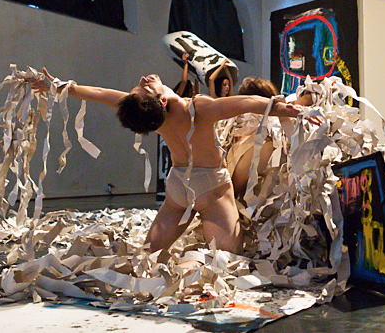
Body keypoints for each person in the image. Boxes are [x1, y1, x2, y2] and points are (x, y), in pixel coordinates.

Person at [31, 68, 317, 256]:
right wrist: (288, 109)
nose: (143, 80)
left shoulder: (153, 115)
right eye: (143, 88)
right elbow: (248, 102)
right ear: (162, 101)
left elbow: (105, 97)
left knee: (169, 254)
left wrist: (62, 86)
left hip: (179, 186)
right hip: (211, 189)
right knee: (231, 259)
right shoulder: (197, 109)